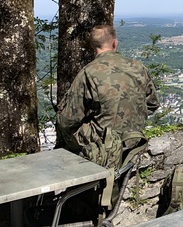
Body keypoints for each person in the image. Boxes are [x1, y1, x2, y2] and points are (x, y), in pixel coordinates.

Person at [57, 25, 160, 157]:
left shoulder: (88, 73)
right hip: (133, 138)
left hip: (103, 144)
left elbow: (67, 120)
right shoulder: (138, 67)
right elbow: (152, 103)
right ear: (114, 42)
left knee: (66, 127)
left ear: (93, 47)